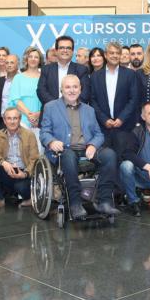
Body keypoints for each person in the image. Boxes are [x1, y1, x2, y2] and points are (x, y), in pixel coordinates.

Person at [40, 75, 120, 220]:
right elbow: (44, 132)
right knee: (69, 156)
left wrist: (93, 145)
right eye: (68, 87)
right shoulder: (50, 107)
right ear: (61, 89)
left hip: (86, 149)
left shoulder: (89, 109)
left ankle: (105, 201)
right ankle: (75, 203)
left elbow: (98, 134)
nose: (72, 90)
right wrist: (51, 142)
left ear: (80, 89)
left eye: (75, 87)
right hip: (64, 150)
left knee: (110, 155)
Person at [0, 107, 40, 210]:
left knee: (20, 187)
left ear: (19, 119)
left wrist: (24, 174)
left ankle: (29, 198)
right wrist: (3, 163)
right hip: (8, 170)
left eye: (15, 118)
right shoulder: (0, 134)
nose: (12, 121)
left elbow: (34, 159)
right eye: (9, 118)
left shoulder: (29, 135)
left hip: (24, 172)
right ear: (4, 120)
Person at [90, 41, 139, 144]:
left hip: (125, 126)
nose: (115, 55)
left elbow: (134, 99)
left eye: (117, 53)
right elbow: (92, 100)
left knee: (125, 157)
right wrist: (104, 119)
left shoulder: (130, 74)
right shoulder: (95, 76)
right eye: (112, 53)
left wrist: (121, 118)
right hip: (102, 127)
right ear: (106, 55)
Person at [37, 35, 90, 114]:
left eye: (68, 48)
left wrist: (70, 106)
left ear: (72, 51)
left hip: (74, 114)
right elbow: (41, 91)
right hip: (51, 113)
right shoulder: (46, 69)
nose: (65, 50)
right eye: (62, 48)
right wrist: (57, 106)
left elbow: (85, 94)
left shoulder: (81, 70)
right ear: (56, 51)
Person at [10, 47, 43, 142]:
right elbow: (15, 99)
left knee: (38, 152)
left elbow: (48, 100)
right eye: (30, 56)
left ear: (39, 60)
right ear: (26, 59)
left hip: (40, 120)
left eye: (36, 57)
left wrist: (38, 116)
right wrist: (30, 115)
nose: (33, 59)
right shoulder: (18, 78)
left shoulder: (45, 77)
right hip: (22, 120)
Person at [0, 54, 19, 130]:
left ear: (17, 65)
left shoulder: (23, 80)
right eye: (7, 63)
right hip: (2, 122)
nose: (9, 65)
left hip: (19, 121)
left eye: (12, 63)